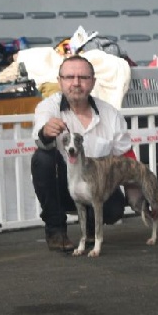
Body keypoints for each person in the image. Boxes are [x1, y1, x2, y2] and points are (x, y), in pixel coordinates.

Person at [31, 55, 135, 252]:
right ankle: (56, 230)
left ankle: (89, 229)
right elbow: (40, 137)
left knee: (114, 209)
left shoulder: (110, 113)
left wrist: (138, 191)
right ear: (60, 81)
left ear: (93, 82)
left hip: (97, 185)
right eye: (69, 77)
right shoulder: (48, 107)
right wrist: (46, 131)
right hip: (64, 186)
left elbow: (126, 156)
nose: (76, 83)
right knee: (42, 158)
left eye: (83, 78)